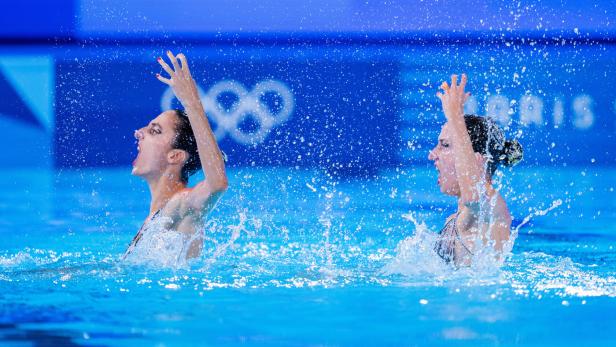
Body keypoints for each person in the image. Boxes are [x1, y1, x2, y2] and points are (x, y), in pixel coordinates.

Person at [123, 51, 228, 262]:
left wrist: (192, 103)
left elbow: (217, 183)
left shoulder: (180, 205)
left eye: (154, 131)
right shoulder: (155, 217)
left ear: (175, 156)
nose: (139, 133)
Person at [428, 74, 523, 266]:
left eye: (445, 146)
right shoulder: (455, 219)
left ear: (478, 161)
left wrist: (455, 116)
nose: (432, 155)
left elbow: (474, 199)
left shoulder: (491, 206)